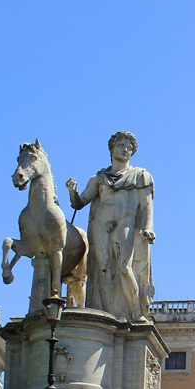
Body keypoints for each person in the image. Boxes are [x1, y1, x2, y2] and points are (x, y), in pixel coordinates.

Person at [66, 131, 155, 322]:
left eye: (129, 148)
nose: (126, 150)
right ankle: (106, 315)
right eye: (121, 146)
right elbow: (79, 203)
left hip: (126, 223)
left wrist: (148, 227)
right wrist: (72, 192)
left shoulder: (140, 176)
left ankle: (135, 312)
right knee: (101, 269)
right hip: (101, 224)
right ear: (112, 148)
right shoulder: (99, 178)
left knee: (124, 267)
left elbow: (147, 206)